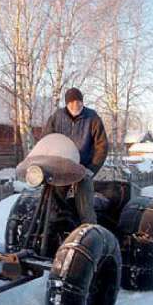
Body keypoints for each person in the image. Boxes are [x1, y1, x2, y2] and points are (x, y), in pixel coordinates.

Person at [40, 87, 109, 224]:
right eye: (71, 102)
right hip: (61, 168)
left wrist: (92, 168)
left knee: (85, 207)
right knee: (51, 203)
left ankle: (89, 229)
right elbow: (47, 140)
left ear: (82, 102)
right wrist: (47, 163)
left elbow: (102, 146)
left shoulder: (92, 118)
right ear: (66, 103)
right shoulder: (57, 117)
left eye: (78, 102)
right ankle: (53, 228)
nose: (75, 105)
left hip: (83, 168)